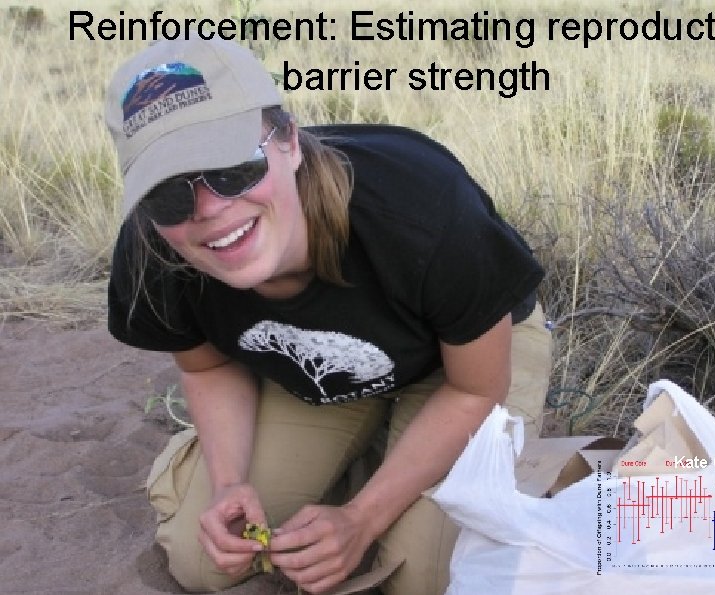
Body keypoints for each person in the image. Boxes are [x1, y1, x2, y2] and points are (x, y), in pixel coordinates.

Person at [104, 35, 552, 595]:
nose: (210, 209)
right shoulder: (154, 251)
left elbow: (474, 389)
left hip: (461, 369)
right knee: (206, 562)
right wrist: (228, 482)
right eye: (167, 194)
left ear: (289, 141)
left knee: (425, 577)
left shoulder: (423, 207)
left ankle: (389, 477)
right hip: (316, 366)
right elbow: (209, 369)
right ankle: (361, 463)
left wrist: (362, 518)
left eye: (234, 168)